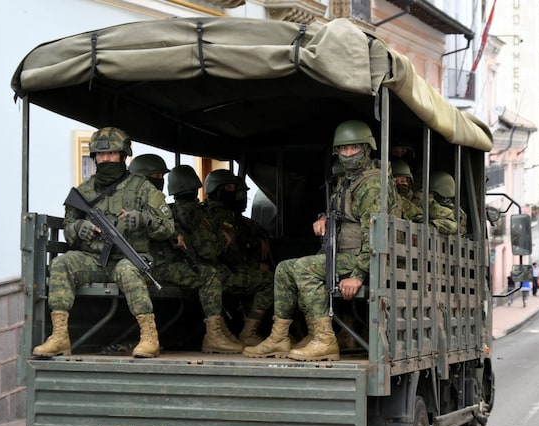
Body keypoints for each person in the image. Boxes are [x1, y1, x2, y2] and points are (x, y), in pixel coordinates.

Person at [244, 119, 401, 361]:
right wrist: (324, 217)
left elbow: (377, 235)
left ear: (367, 149)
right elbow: (346, 213)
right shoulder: (348, 182)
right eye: (344, 149)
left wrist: (358, 274)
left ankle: (324, 339)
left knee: (303, 268)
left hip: (367, 259)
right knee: (284, 269)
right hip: (345, 257)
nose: (348, 154)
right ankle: (279, 338)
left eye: (354, 148)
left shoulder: (371, 184)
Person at [32, 127, 175, 358]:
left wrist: (142, 219)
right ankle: (59, 337)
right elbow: (69, 228)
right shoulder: (84, 190)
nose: (105, 159)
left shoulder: (143, 188)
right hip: (93, 261)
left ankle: (149, 337)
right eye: (100, 155)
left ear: (123, 155)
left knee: (129, 271)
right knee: (61, 264)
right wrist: (80, 228)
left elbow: (168, 227)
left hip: (128, 259)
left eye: (111, 154)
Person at [151, 165, 244, 353]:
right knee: (211, 275)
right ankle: (217, 335)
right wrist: (224, 239)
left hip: (159, 267)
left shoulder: (167, 210)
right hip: (161, 269)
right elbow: (209, 252)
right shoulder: (194, 212)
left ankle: (221, 331)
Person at [203, 169, 274, 346]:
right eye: (228, 188)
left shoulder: (205, 211)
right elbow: (231, 253)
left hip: (211, 272)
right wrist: (255, 264)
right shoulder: (222, 215)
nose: (234, 193)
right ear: (216, 189)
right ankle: (249, 332)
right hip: (220, 274)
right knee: (270, 280)